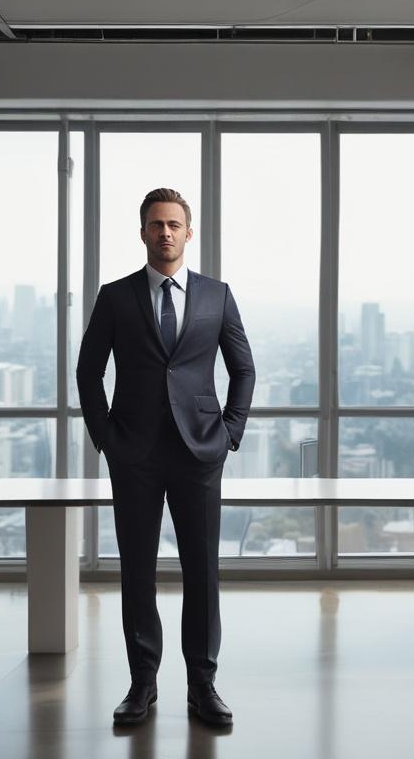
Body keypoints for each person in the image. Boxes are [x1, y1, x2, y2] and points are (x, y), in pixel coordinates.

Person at [76, 187, 255, 726]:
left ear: (188, 232)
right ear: (143, 232)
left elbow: (243, 369)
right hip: (134, 454)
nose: (165, 233)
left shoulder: (216, 295)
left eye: (174, 224)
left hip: (200, 451)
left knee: (202, 571)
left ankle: (203, 686)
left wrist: (229, 433)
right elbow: (89, 372)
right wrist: (106, 438)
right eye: (156, 224)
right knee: (138, 570)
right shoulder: (115, 296)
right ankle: (142, 684)